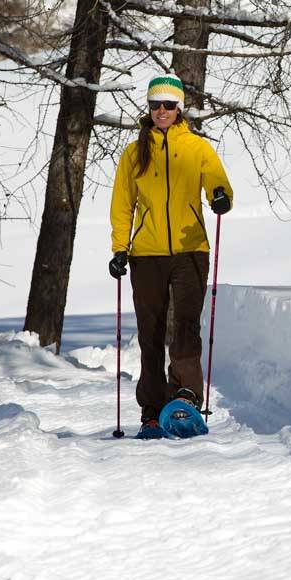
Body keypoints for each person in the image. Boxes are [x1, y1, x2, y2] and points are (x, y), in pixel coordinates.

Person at [108, 74, 233, 438]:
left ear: (179, 108)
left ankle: (185, 398)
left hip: (190, 248)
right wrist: (120, 247)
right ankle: (151, 409)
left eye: (168, 104)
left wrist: (220, 197)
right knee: (151, 331)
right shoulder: (134, 152)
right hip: (146, 253)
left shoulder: (197, 148)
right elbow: (122, 204)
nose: (161, 111)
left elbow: (218, 183)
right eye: (155, 105)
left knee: (186, 327)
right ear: (148, 108)